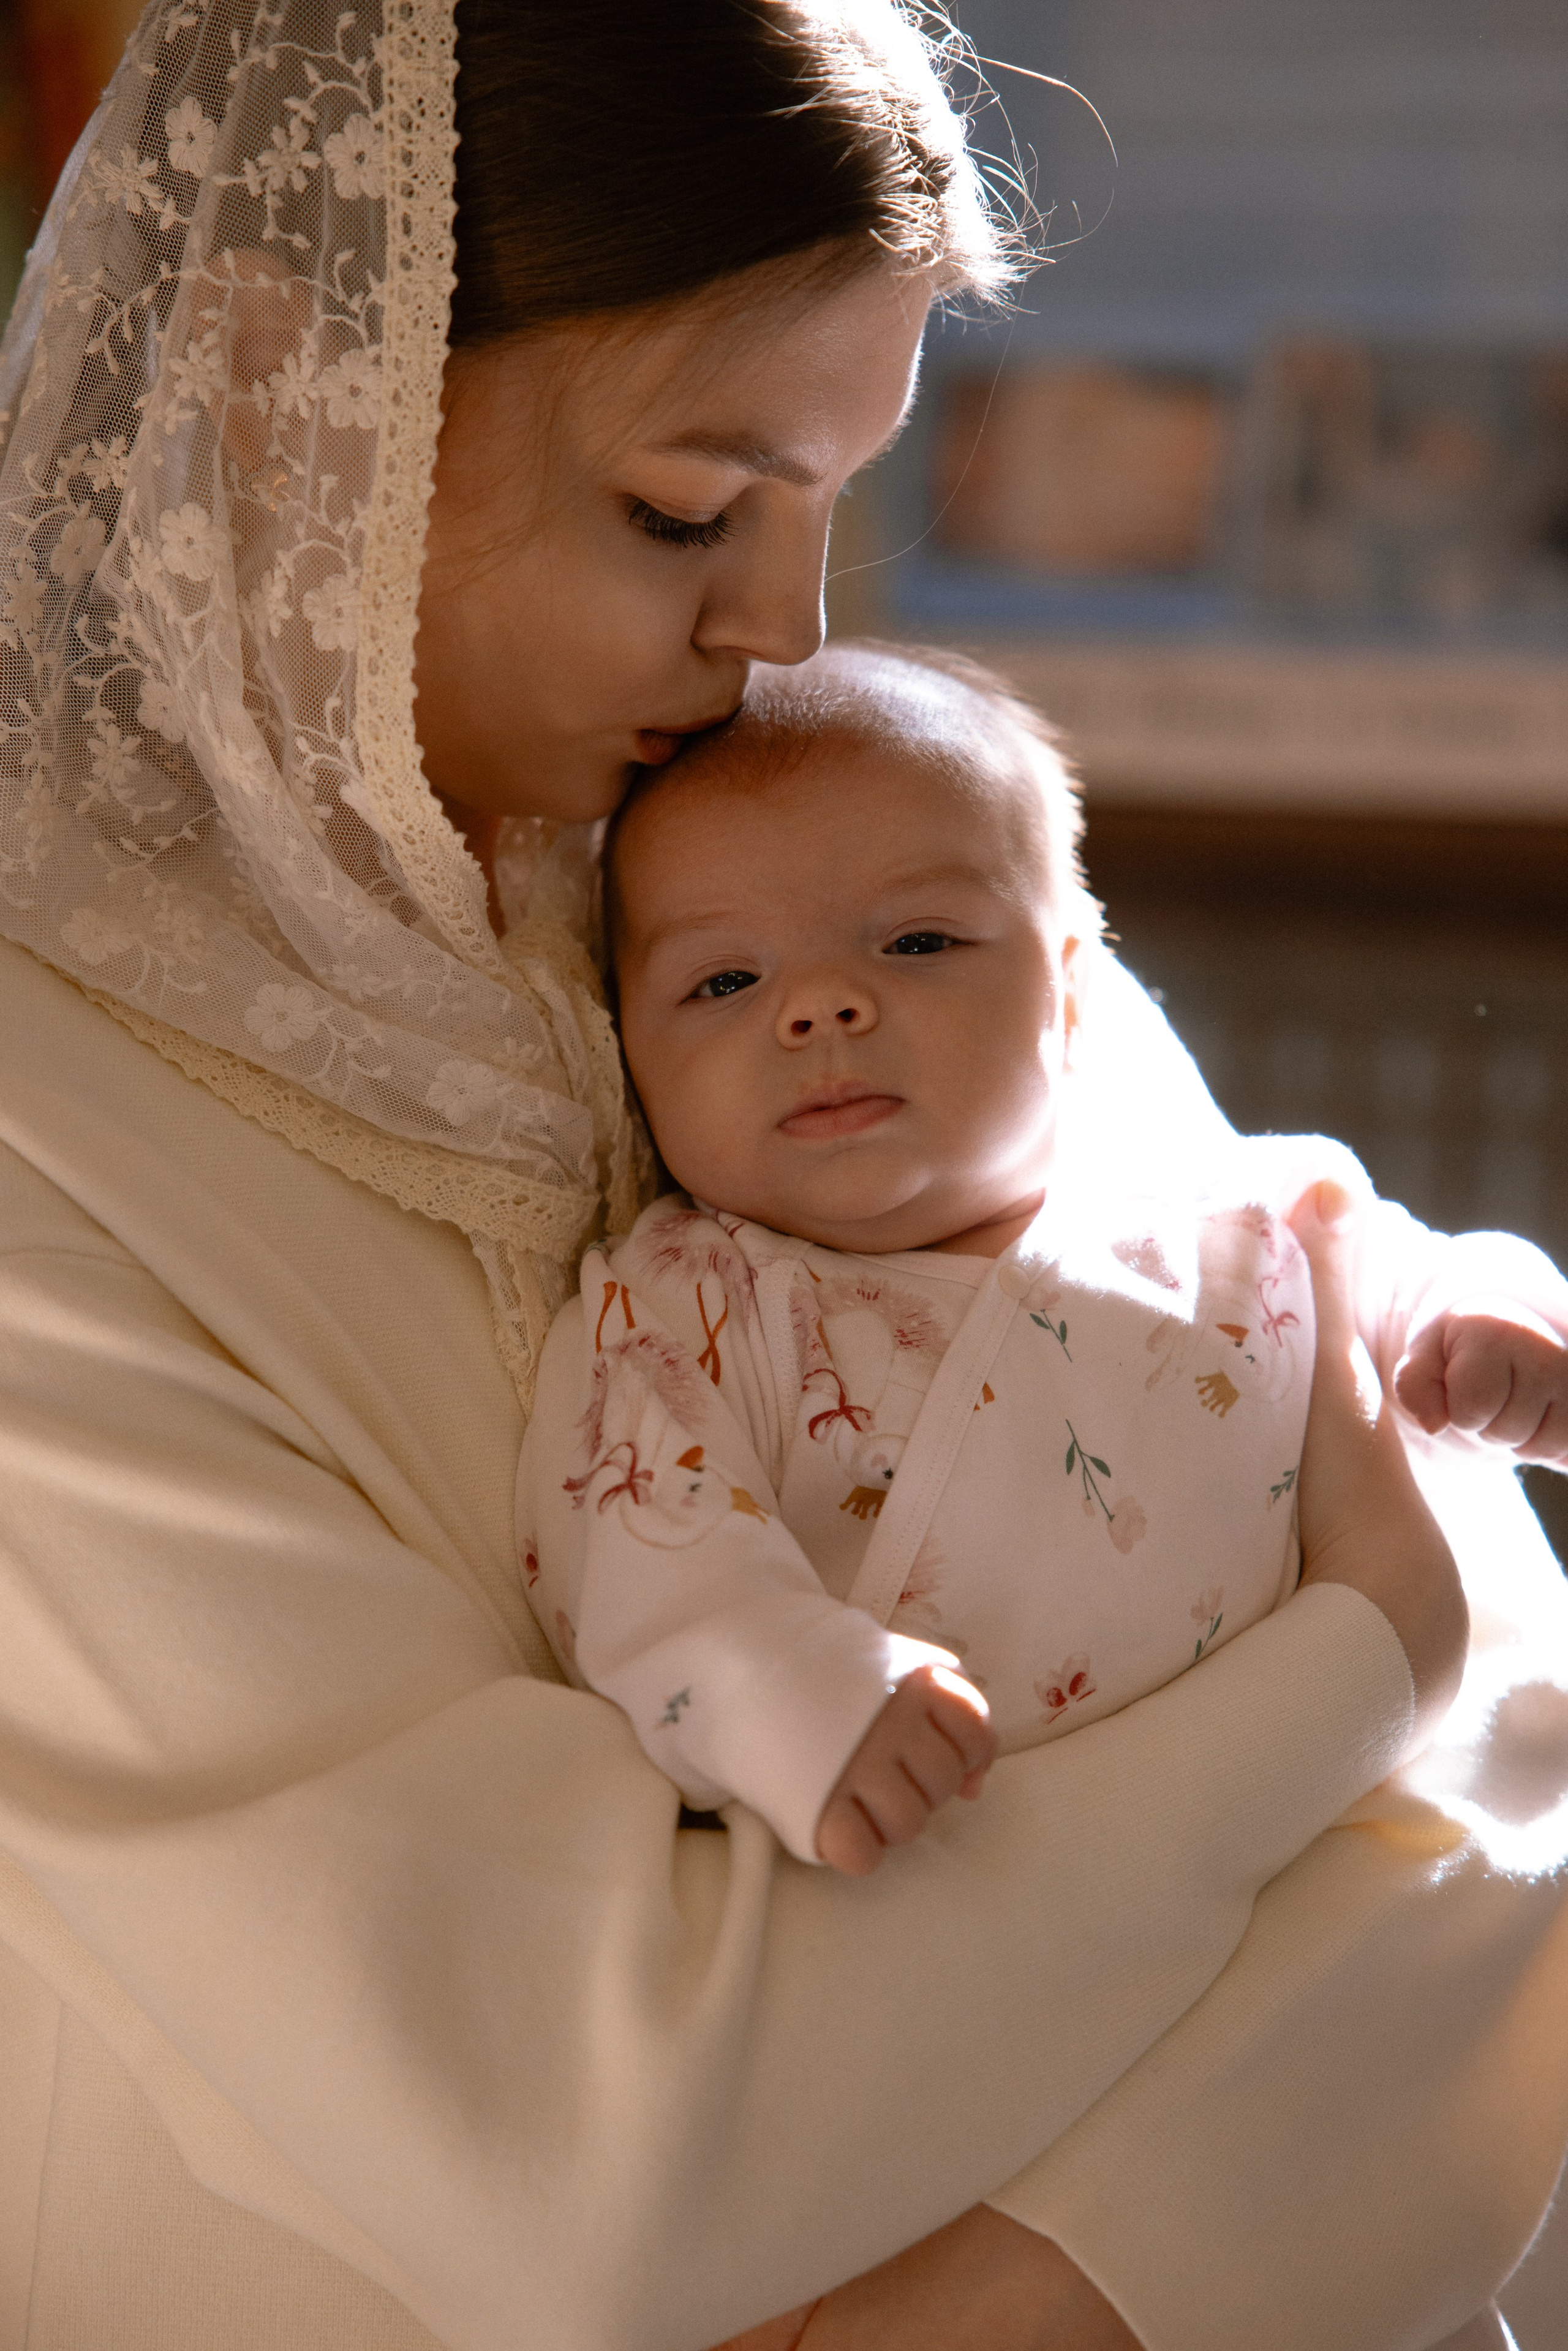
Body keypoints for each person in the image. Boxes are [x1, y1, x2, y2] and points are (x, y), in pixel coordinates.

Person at [0, 4, 1561, 2347]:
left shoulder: (820, 894)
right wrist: (1357, 1660)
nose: (788, 640)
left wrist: (1047, 2294)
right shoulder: (53, 1114)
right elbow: (584, 2144)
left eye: (832, 502)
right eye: (686, 509)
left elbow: (1521, 1767)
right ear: (271, 377)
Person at [518, 641, 1565, 1876]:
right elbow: (644, 1547)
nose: (819, 1009)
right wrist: (800, 1688)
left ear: (1068, 994)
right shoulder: (690, 1303)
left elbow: (1418, 1270)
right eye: (725, 978)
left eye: (914, 942)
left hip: (1356, 1824)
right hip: (994, 1849)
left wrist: (1492, 1324)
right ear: (629, 1052)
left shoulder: (1230, 1209)